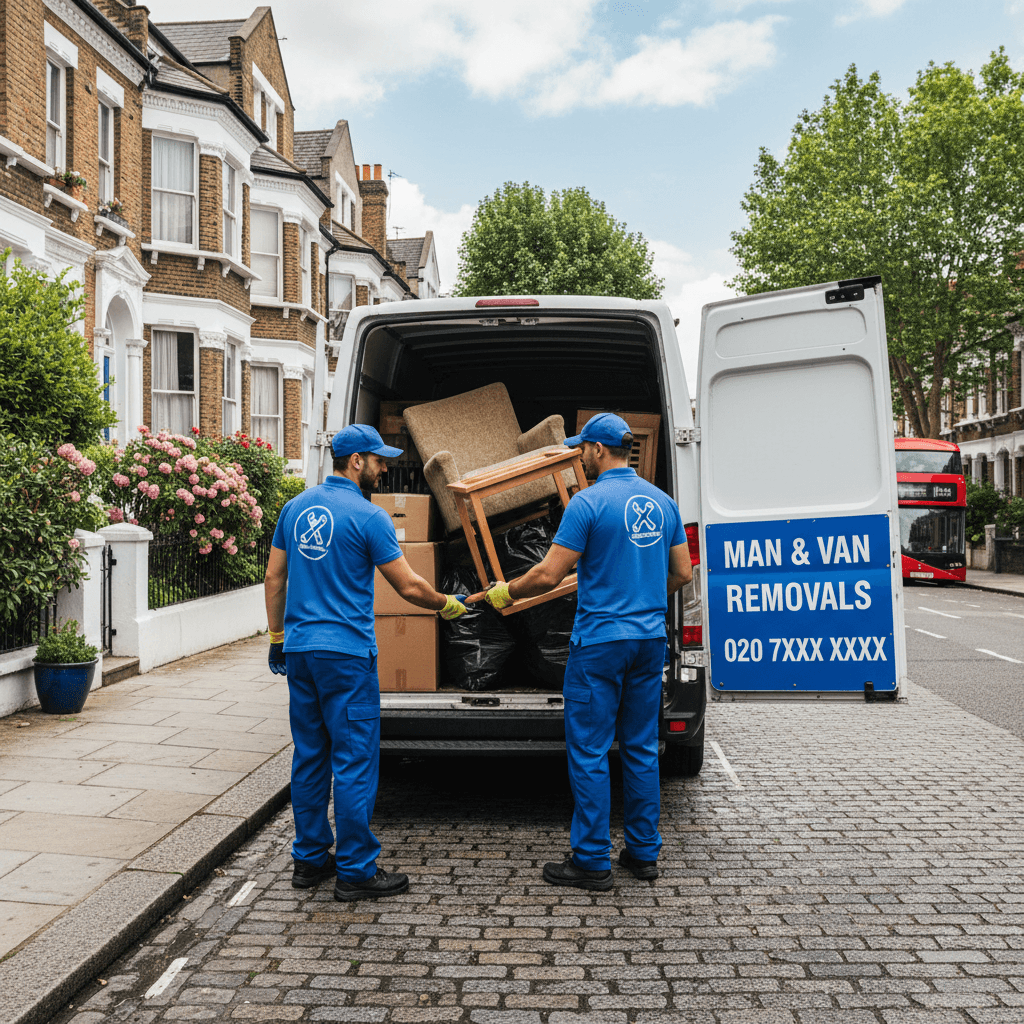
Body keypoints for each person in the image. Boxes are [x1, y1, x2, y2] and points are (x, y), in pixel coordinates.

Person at [484, 412, 692, 890]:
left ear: (598, 450)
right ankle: (643, 854)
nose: (580, 455)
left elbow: (547, 576)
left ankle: (592, 860)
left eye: (583, 449)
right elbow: (682, 573)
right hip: (647, 641)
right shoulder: (664, 503)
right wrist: (641, 594)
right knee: (640, 747)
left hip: (599, 644)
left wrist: (505, 592)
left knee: (591, 750)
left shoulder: (588, 503)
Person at [264, 424, 466, 902]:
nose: (384, 466)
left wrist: (277, 639)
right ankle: (355, 869)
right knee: (354, 759)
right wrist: (446, 603)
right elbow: (409, 587)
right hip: (347, 656)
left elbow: (274, 578)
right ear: (355, 462)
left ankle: (310, 860)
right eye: (378, 459)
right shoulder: (369, 516)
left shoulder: (295, 508)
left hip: (300, 651)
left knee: (310, 755)